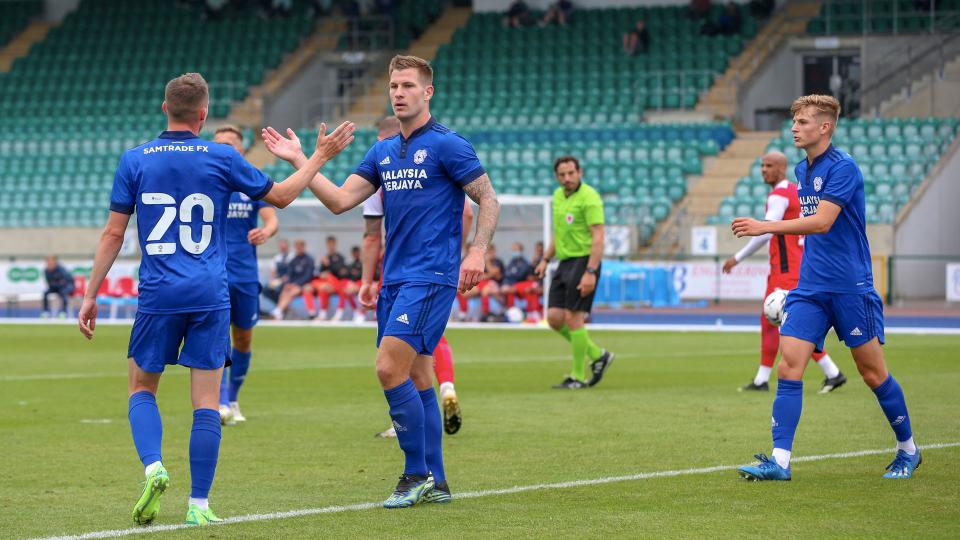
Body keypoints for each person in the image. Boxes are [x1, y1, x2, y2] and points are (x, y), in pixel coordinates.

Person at [77, 72, 354, 526]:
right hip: (209, 292)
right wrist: (318, 156)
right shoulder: (222, 156)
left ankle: (153, 466)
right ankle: (199, 506)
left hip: (158, 293)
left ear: (164, 108)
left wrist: (91, 295)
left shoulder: (135, 159)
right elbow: (282, 197)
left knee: (142, 388)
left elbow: (113, 232)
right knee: (206, 402)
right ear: (204, 115)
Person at [262, 54, 499, 507]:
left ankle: (414, 475)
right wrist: (302, 158)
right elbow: (339, 201)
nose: (399, 92)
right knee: (418, 374)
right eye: (394, 86)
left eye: (408, 85)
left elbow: (488, 198)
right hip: (395, 279)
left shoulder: (449, 145)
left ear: (428, 92)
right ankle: (438, 480)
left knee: (388, 369)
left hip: (430, 276)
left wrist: (478, 249)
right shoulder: (383, 151)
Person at [733, 95, 921, 481]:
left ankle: (908, 449)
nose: (794, 128)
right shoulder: (804, 171)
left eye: (802, 121)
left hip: (850, 287)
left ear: (825, 127)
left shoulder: (844, 168)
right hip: (810, 287)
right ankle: (780, 462)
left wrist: (765, 226)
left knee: (872, 374)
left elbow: (822, 223)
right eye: (794, 121)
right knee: (790, 366)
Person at [362, 115, 472, 439]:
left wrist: (367, 278)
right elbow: (467, 211)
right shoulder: (432, 154)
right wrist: (457, 249)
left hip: (405, 270)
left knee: (392, 364)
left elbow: (371, 235)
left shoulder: (383, 163)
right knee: (428, 350)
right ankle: (447, 388)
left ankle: (411, 446)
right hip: (430, 269)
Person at [723, 151, 847, 394]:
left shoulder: (779, 194)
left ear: (781, 169)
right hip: (797, 267)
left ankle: (830, 372)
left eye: (768, 166)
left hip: (786, 270)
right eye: (761, 165)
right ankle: (765, 379)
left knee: (785, 323)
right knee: (781, 322)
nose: (763, 170)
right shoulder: (795, 191)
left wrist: (737, 257)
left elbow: (767, 230)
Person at [212, 125, 280, 425]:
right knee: (216, 337)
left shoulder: (249, 181)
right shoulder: (207, 180)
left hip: (244, 273)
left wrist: (265, 231)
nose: (223, 149)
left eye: (228, 145)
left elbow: (272, 217)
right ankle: (220, 400)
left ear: (239, 151)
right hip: (214, 274)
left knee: (243, 340)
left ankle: (233, 398)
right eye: (218, 144)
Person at [534, 156, 614, 389]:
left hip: (584, 260)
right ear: (557, 176)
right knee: (555, 319)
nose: (567, 178)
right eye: (562, 175)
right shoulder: (558, 197)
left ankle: (578, 376)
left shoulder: (590, 198)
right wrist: (545, 259)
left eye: (571, 173)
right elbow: (559, 233)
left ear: (580, 172)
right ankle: (598, 355)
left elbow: (599, 237)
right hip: (564, 262)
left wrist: (591, 271)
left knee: (573, 317)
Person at [271, 239, 315, 320]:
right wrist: (288, 283)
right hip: (294, 284)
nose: (299, 249)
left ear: (303, 247)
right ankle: (280, 313)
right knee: (284, 291)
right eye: (297, 247)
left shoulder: (309, 259)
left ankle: (278, 310)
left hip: (304, 284)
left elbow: (308, 276)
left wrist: (296, 284)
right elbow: (289, 274)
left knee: (293, 291)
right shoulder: (293, 260)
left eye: (300, 247)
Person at [501, 242, 542, 321]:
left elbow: (521, 275)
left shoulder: (525, 262)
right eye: (513, 250)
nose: (514, 252)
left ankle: (533, 313)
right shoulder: (512, 262)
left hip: (522, 284)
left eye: (516, 250)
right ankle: (509, 311)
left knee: (529, 289)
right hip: (513, 284)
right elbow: (506, 274)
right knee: (507, 290)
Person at [462, 243, 504, 320]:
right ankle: (464, 314)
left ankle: (486, 313)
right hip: (480, 282)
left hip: (492, 283)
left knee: (486, 291)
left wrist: (487, 262)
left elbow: (494, 273)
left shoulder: (497, 261)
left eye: (490, 251)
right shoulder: (479, 261)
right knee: (467, 291)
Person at [309, 235, 346, 320]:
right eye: (329, 244)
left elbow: (340, 272)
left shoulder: (340, 258)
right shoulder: (325, 257)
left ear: (335, 244)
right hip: (327, 284)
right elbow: (320, 272)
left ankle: (337, 313)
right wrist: (323, 272)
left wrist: (329, 265)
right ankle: (322, 314)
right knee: (322, 286)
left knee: (329, 278)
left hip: (337, 283)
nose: (330, 246)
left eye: (332, 244)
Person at [263, 238, 293, 303]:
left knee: (279, 289)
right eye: (282, 247)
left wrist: (286, 278)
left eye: (284, 247)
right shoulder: (276, 258)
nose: (283, 248)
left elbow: (293, 271)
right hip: (279, 279)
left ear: (287, 247)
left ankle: (281, 307)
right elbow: (273, 272)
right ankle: (280, 304)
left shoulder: (292, 256)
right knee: (266, 289)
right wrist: (271, 281)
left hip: (290, 279)